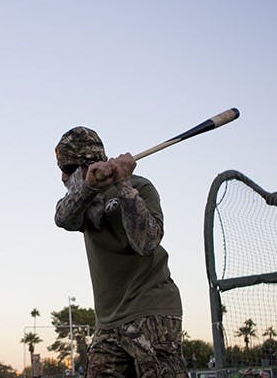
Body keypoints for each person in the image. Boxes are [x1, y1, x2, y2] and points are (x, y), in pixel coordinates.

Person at [54, 127, 186, 377]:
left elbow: (147, 242)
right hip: (108, 323)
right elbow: (63, 219)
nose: (62, 176)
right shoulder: (81, 201)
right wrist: (89, 187)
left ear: (89, 164)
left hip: (151, 313)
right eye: (60, 168)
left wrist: (123, 183)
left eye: (69, 168)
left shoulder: (140, 186)